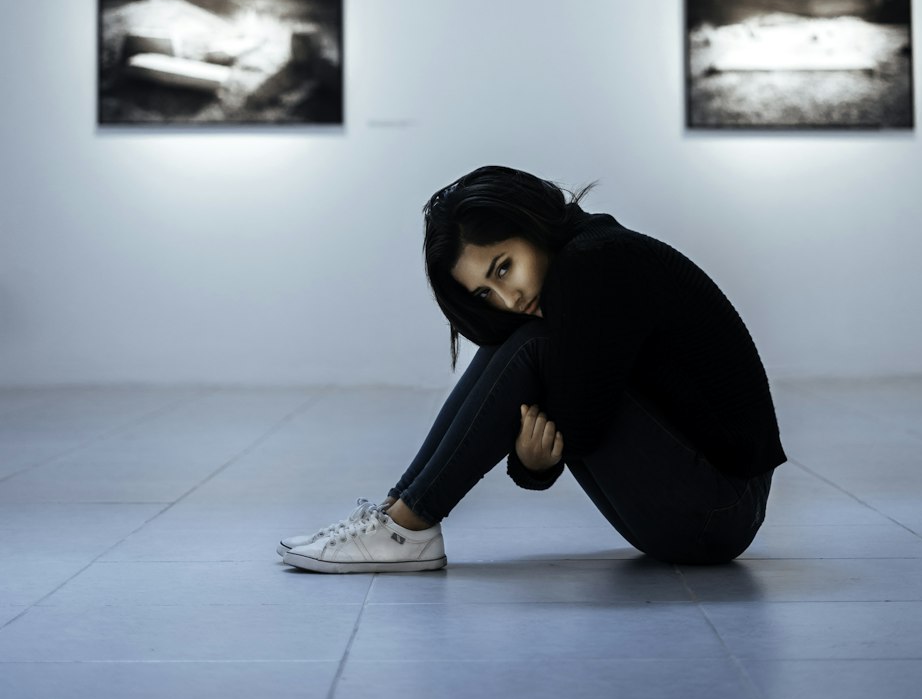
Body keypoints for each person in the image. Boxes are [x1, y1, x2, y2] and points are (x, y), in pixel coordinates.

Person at [278, 165, 786, 573]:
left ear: (531, 223)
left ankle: (407, 526)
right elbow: (584, 406)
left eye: (503, 267)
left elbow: (581, 425)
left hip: (716, 512)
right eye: (485, 292)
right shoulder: (592, 259)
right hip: (710, 511)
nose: (509, 296)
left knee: (531, 344)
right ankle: (399, 514)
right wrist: (532, 463)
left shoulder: (596, 263)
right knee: (524, 338)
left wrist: (531, 464)